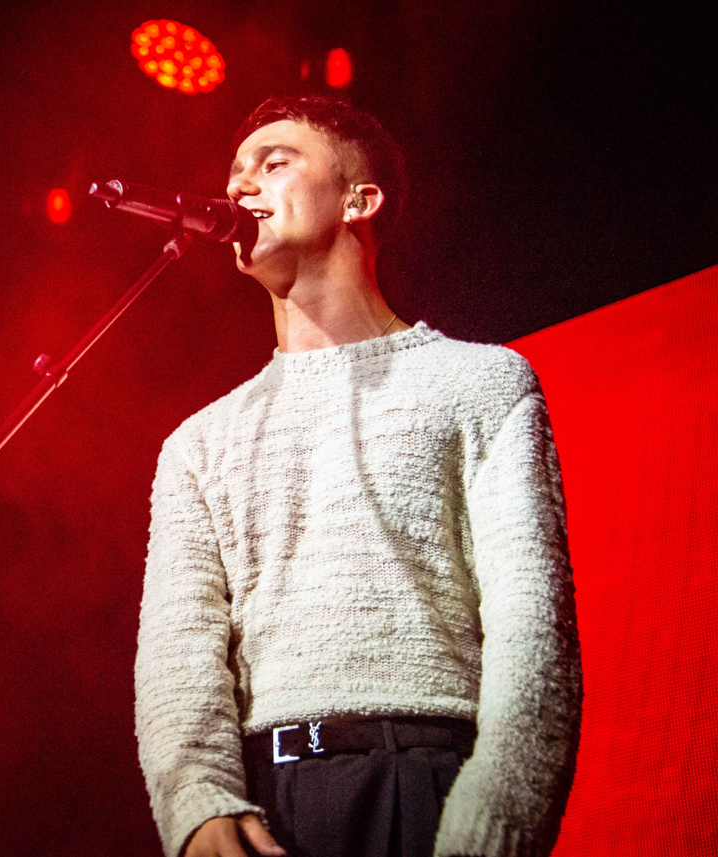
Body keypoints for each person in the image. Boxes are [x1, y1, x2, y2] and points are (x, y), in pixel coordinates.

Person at [134, 96, 582, 857]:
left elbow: (533, 627)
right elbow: (179, 654)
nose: (239, 186)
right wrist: (199, 806)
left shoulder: (483, 383)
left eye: (274, 163)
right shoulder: (198, 442)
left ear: (358, 199)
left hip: (427, 783)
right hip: (266, 807)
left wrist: (494, 825)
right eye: (235, 172)